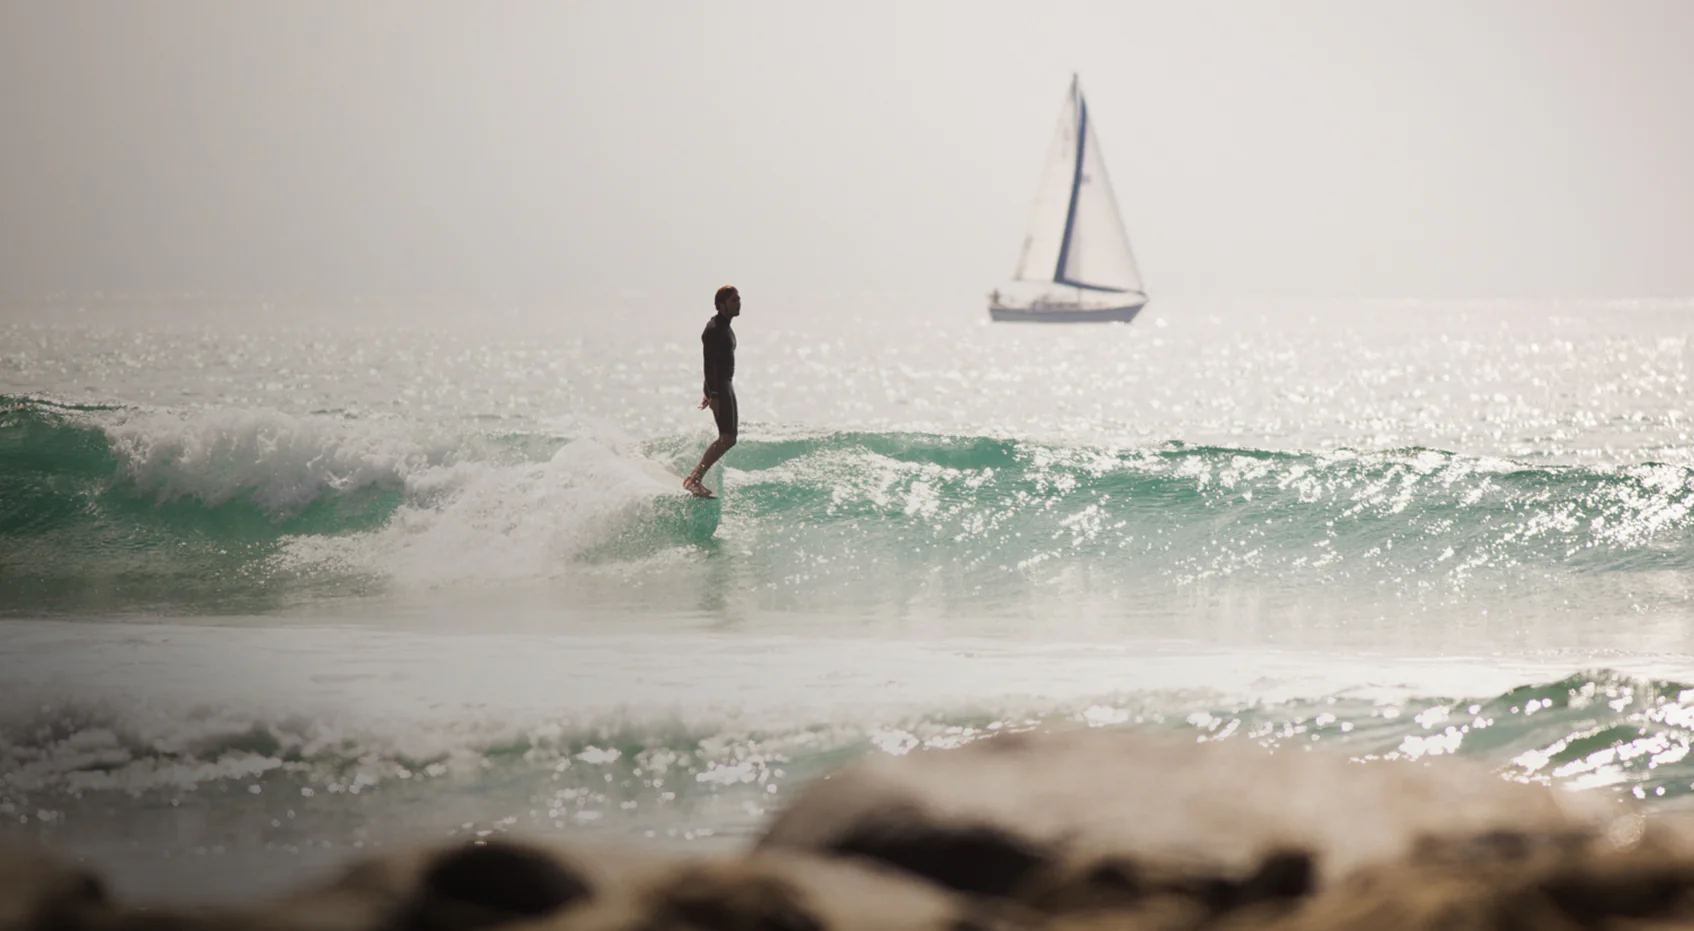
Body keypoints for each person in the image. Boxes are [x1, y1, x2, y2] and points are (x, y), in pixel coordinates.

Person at [684, 285, 740, 498]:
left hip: (725, 384)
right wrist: (713, 393)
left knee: (730, 437)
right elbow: (708, 363)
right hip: (721, 387)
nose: (738, 303)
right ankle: (694, 479)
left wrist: (709, 390)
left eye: (738, 299)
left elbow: (715, 363)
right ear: (721, 305)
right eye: (734, 300)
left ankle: (694, 478)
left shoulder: (725, 326)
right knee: (727, 437)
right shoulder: (714, 329)